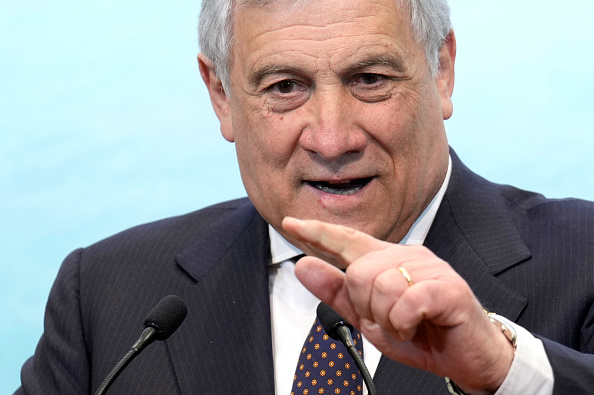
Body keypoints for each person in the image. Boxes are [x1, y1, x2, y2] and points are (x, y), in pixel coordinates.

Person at [15, 0, 594, 394]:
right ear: (220, 94)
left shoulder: (583, 259)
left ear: (441, 69)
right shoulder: (107, 294)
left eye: (370, 79)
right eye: (285, 87)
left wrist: (501, 370)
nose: (332, 137)